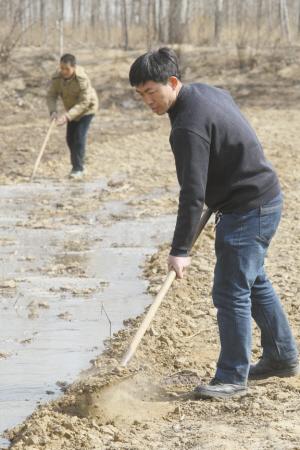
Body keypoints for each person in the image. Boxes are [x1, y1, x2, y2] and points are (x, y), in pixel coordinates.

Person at [128, 47, 299, 399]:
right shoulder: (206, 92)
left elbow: (192, 193)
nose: (147, 100)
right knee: (253, 281)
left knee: (229, 290)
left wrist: (180, 250)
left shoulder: (187, 126)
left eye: (151, 91)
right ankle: (282, 357)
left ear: (172, 82)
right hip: (262, 196)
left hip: (248, 208)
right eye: (140, 94)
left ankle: (232, 377)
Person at [46, 53, 99, 179]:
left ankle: (78, 169)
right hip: (71, 110)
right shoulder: (57, 78)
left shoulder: (82, 79)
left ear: (74, 67)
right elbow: (51, 95)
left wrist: (66, 117)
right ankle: (79, 164)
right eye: (62, 68)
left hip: (87, 109)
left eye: (67, 69)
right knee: (70, 139)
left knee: (78, 137)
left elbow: (84, 102)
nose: (63, 71)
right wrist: (53, 111)